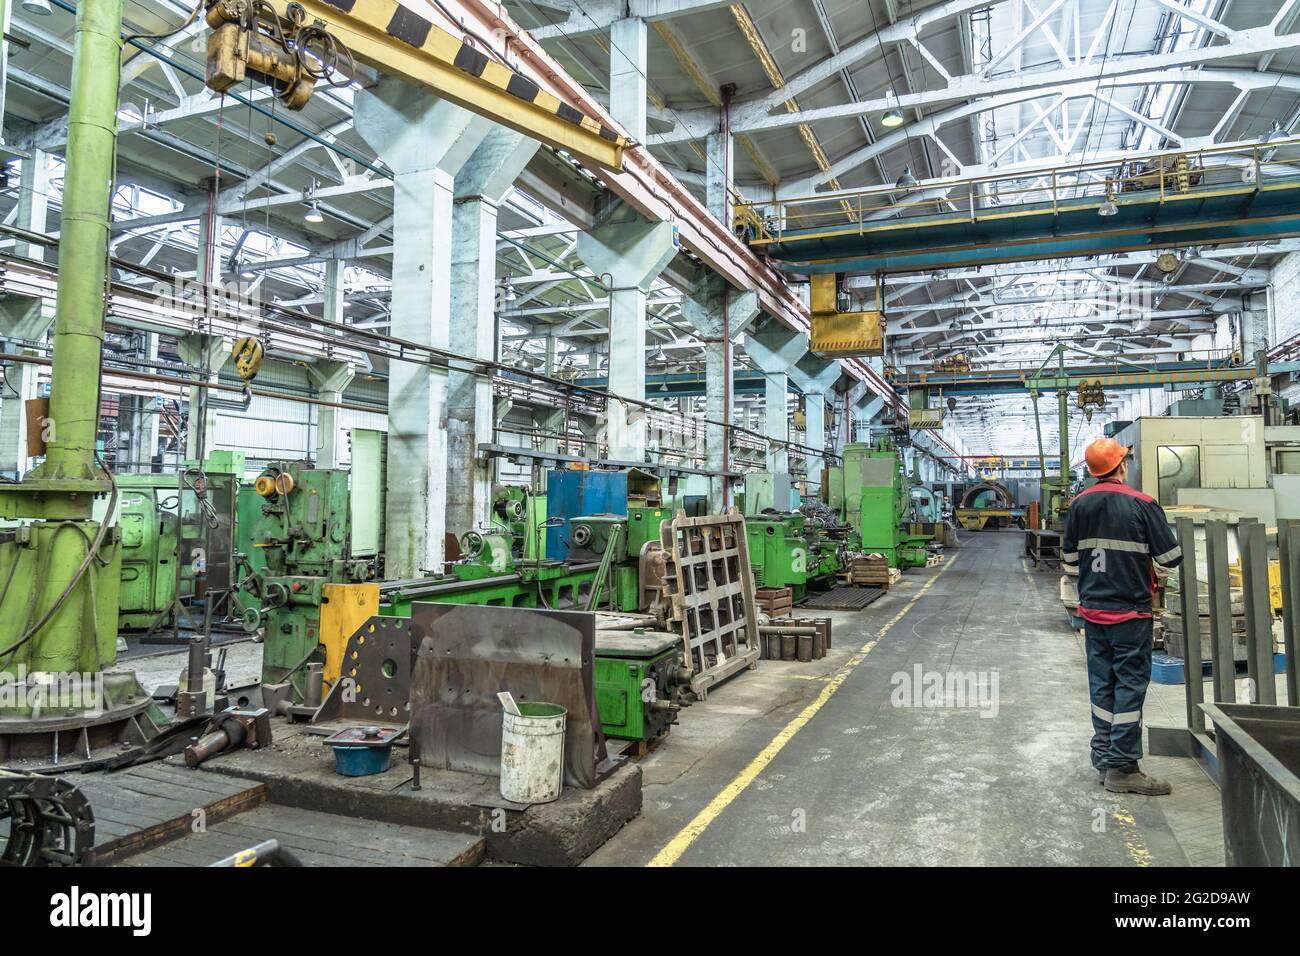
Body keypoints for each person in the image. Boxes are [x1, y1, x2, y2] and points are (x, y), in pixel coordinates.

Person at [1062, 437, 1183, 795]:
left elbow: (1070, 563)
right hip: (1130, 614)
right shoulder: (1142, 504)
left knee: (1103, 685)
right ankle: (1123, 768)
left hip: (1093, 613)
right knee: (1129, 686)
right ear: (1122, 466)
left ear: (1091, 472)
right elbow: (1169, 559)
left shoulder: (1078, 505)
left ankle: (1104, 756)